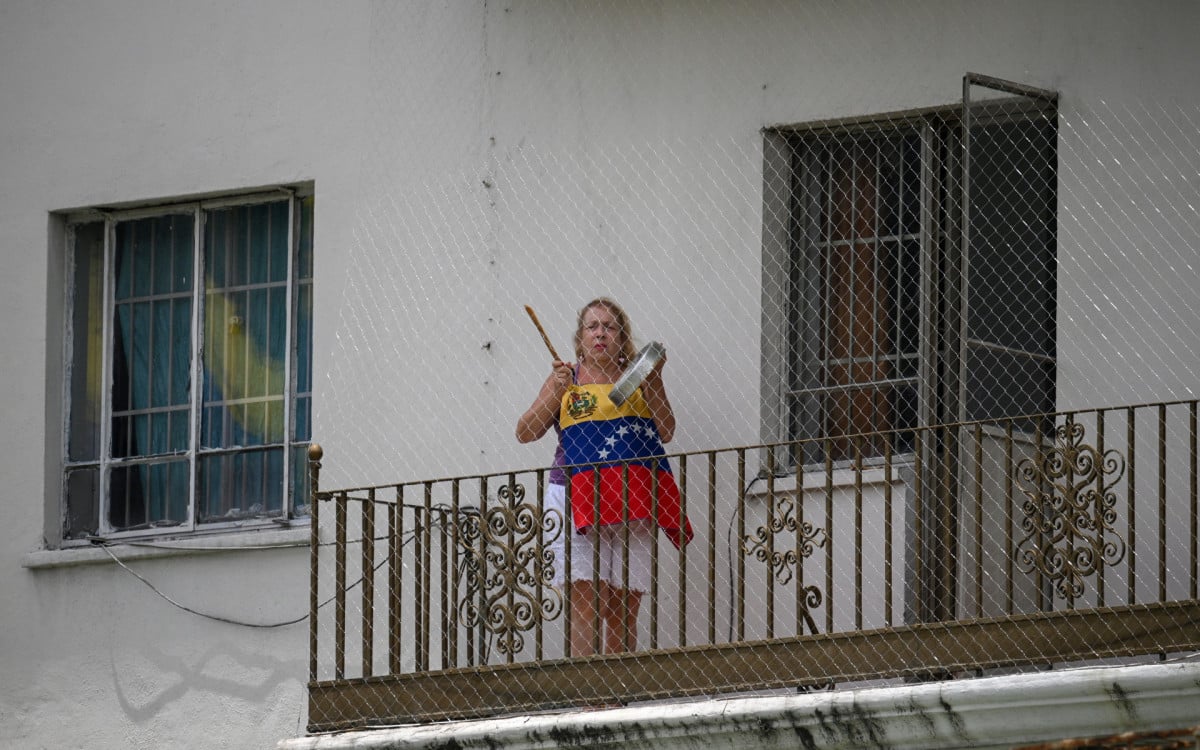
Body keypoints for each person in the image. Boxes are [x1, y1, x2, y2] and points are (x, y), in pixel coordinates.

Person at [516, 297, 691, 656]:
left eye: (609, 327)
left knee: (624, 608)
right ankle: (590, 699)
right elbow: (525, 431)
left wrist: (654, 381)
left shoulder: (638, 378)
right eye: (592, 327)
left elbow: (666, 430)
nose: (600, 334)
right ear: (579, 339)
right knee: (587, 604)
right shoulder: (566, 378)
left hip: (633, 498)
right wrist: (556, 393)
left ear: (622, 337)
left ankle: (617, 698)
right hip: (575, 496)